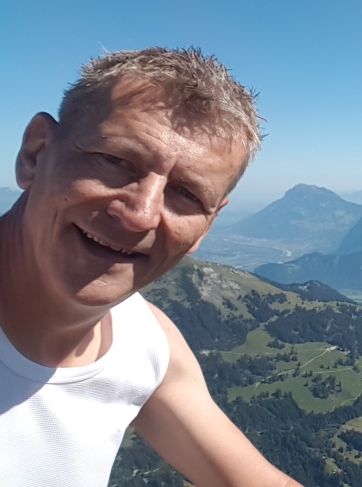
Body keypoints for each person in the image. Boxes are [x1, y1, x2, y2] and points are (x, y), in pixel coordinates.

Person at [0, 48, 301, 486]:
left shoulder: (144, 343)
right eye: (116, 161)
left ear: (206, 227)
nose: (141, 215)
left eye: (187, 195)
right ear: (36, 153)